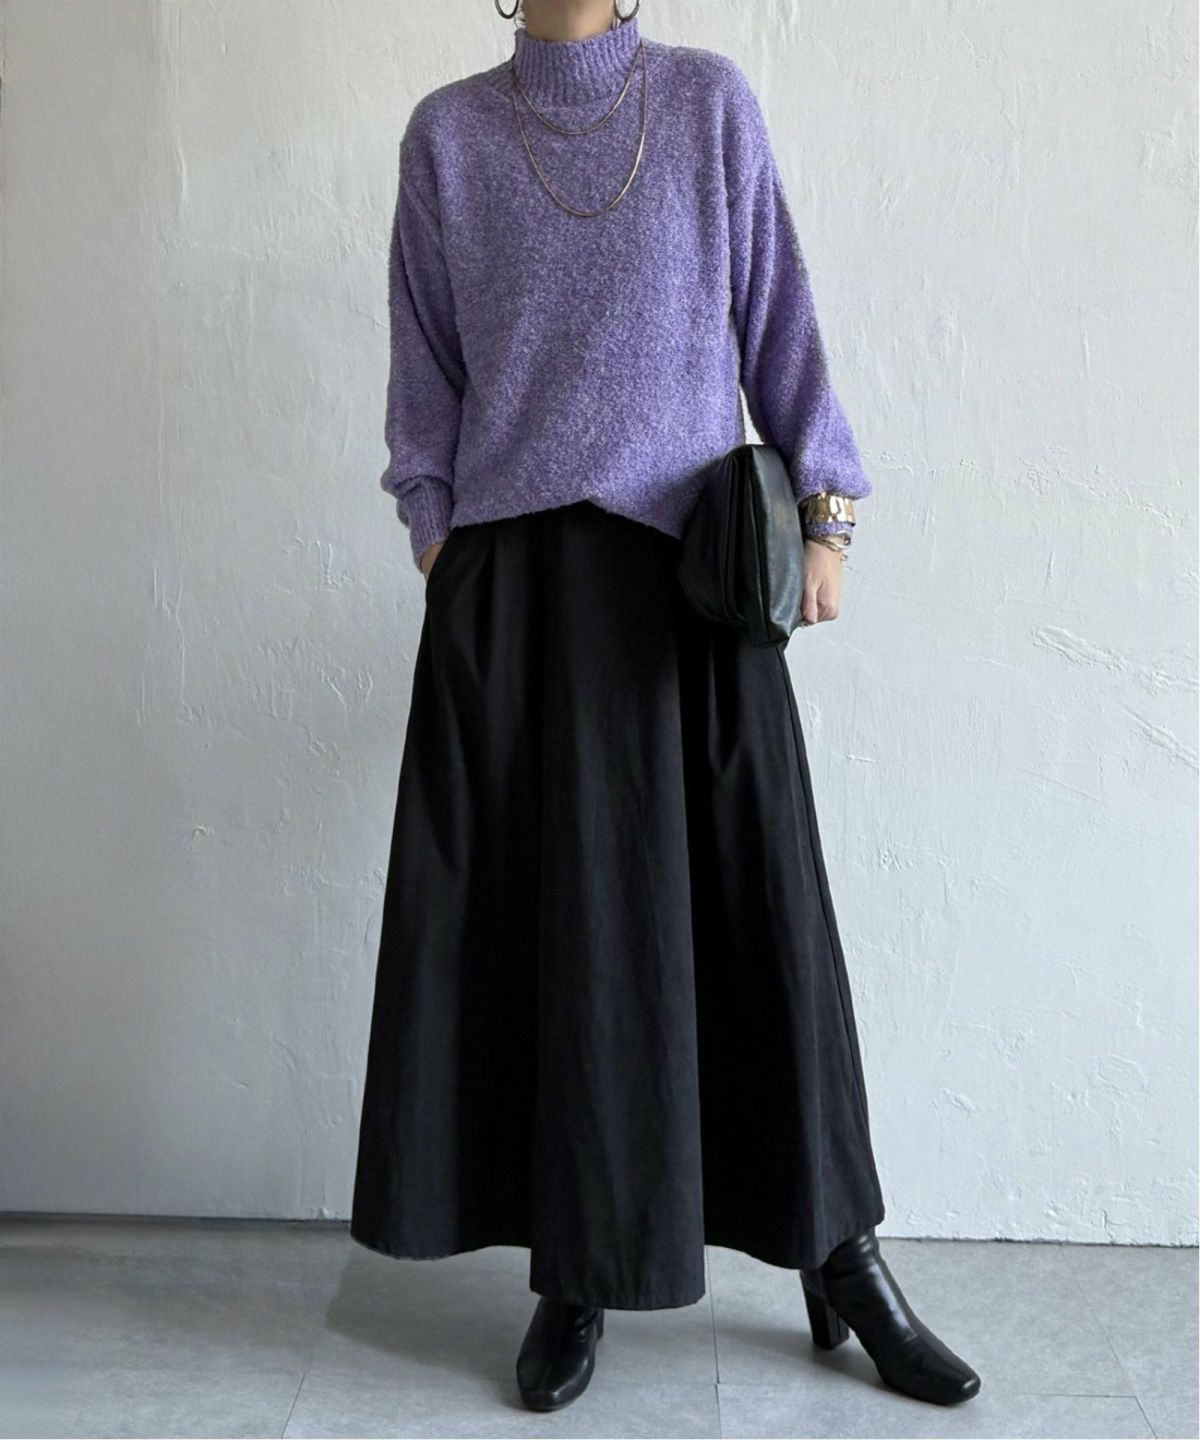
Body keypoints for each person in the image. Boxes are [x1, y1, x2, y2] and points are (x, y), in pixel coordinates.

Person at [350, 0, 981, 1415]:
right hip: (517, 597)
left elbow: (780, 319)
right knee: (564, 945)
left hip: (693, 584)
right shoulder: (449, 137)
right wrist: (438, 534)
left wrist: (828, 514)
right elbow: (423, 369)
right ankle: (574, 1270)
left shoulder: (705, 103)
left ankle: (841, 1257)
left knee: (766, 924)